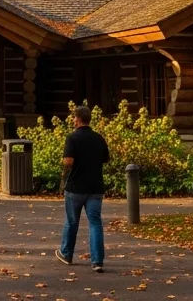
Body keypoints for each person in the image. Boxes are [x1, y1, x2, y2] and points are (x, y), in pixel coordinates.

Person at [56, 106, 109, 272]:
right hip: (95, 187)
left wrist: (64, 174)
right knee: (95, 223)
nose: (73, 120)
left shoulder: (72, 138)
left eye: (74, 118)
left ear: (78, 119)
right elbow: (105, 159)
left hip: (75, 187)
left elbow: (68, 161)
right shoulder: (99, 138)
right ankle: (97, 261)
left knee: (72, 222)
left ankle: (66, 253)